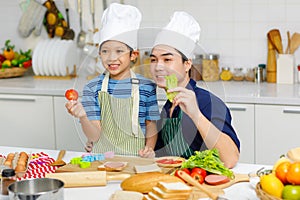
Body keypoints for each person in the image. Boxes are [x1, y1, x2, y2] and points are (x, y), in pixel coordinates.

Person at [65, 3, 160, 158]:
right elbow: (94, 136)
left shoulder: (147, 87)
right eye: (105, 51)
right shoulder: (92, 87)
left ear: (133, 54)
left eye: (119, 51)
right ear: (99, 54)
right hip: (102, 162)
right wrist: (83, 116)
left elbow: (151, 125)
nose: (111, 58)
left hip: (136, 160)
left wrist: (149, 148)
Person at [150, 12, 240, 168]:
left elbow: (230, 159)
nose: (158, 66)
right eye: (153, 59)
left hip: (202, 186)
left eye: (167, 59)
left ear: (187, 64)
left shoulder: (207, 103)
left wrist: (196, 115)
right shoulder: (168, 106)